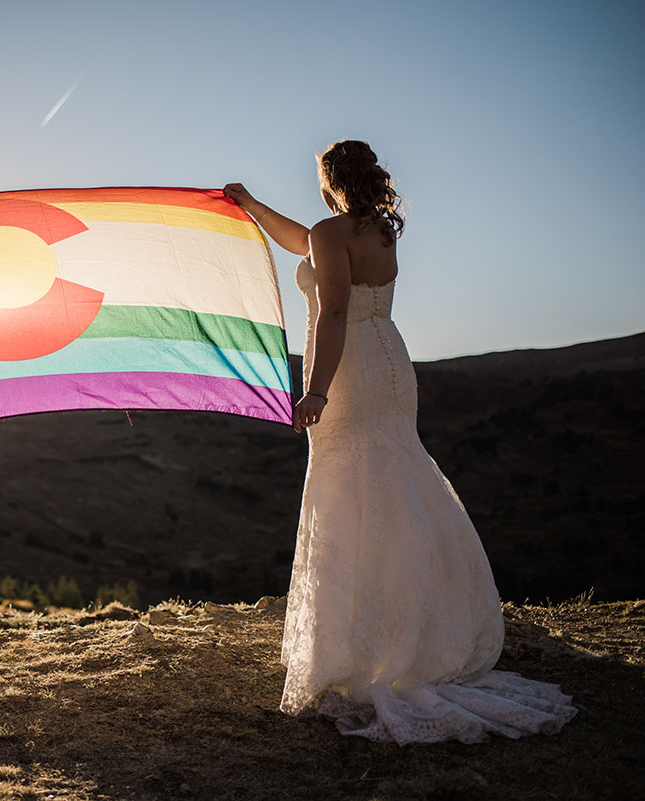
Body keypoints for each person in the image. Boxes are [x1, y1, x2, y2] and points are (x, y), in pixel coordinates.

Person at [224, 140, 576, 744]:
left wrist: (315, 391)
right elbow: (306, 243)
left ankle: (373, 641)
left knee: (350, 489)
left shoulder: (330, 232)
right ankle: (415, 626)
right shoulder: (381, 232)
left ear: (329, 179)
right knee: (394, 480)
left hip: (350, 368)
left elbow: (332, 313)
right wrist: (251, 205)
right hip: (391, 360)